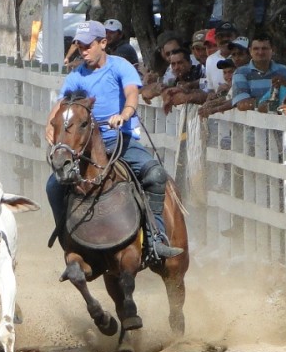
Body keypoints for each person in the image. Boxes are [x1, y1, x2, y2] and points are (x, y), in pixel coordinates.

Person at [44, 21, 184, 259]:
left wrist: (124, 115)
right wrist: (50, 123)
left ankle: (155, 237)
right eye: (79, 46)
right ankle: (66, 236)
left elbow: (132, 94)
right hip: (85, 147)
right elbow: (61, 102)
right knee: (53, 186)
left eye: (88, 45)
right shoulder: (77, 74)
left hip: (121, 140)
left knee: (155, 175)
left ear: (103, 43)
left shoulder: (121, 67)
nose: (83, 50)